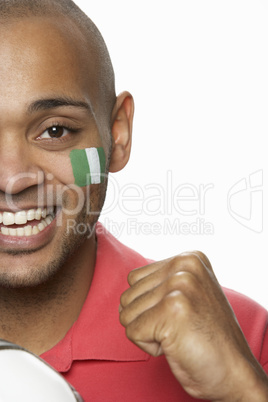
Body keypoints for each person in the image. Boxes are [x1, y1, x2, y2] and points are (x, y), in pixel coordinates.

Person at [0, 0, 267, 401]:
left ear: (117, 136)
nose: (10, 179)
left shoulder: (245, 340)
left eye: (55, 130)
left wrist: (242, 389)